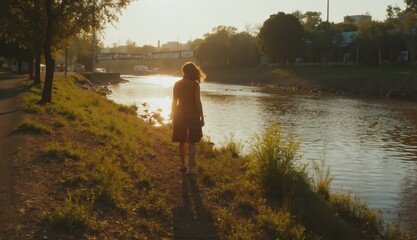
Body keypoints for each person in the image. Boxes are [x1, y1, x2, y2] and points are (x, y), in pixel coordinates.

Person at [171, 62, 205, 175]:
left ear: (183, 72)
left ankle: (182, 164)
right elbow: (198, 102)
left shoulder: (177, 84)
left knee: (181, 141)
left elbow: (174, 101)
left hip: (180, 114)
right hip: (193, 115)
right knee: (192, 143)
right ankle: (190, 169)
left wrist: (172, 115)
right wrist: (202, 116)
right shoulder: (195, 85)